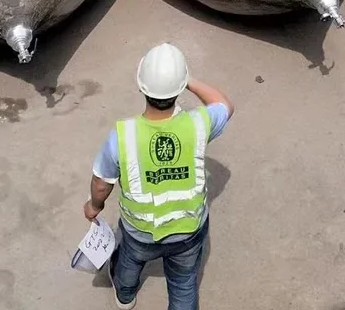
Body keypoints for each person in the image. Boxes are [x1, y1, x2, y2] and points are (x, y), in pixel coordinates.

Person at [84, 43, 234, 310]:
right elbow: (224, 104)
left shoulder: (123, 135)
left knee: (129, 262)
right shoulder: (198, 124)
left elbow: (101, 183)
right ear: (179, 89)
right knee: (183, 284)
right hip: (188, 231)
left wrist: (94, 206)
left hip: (140, 231)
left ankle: (125, 296)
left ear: (141, 86)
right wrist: (189, 80)